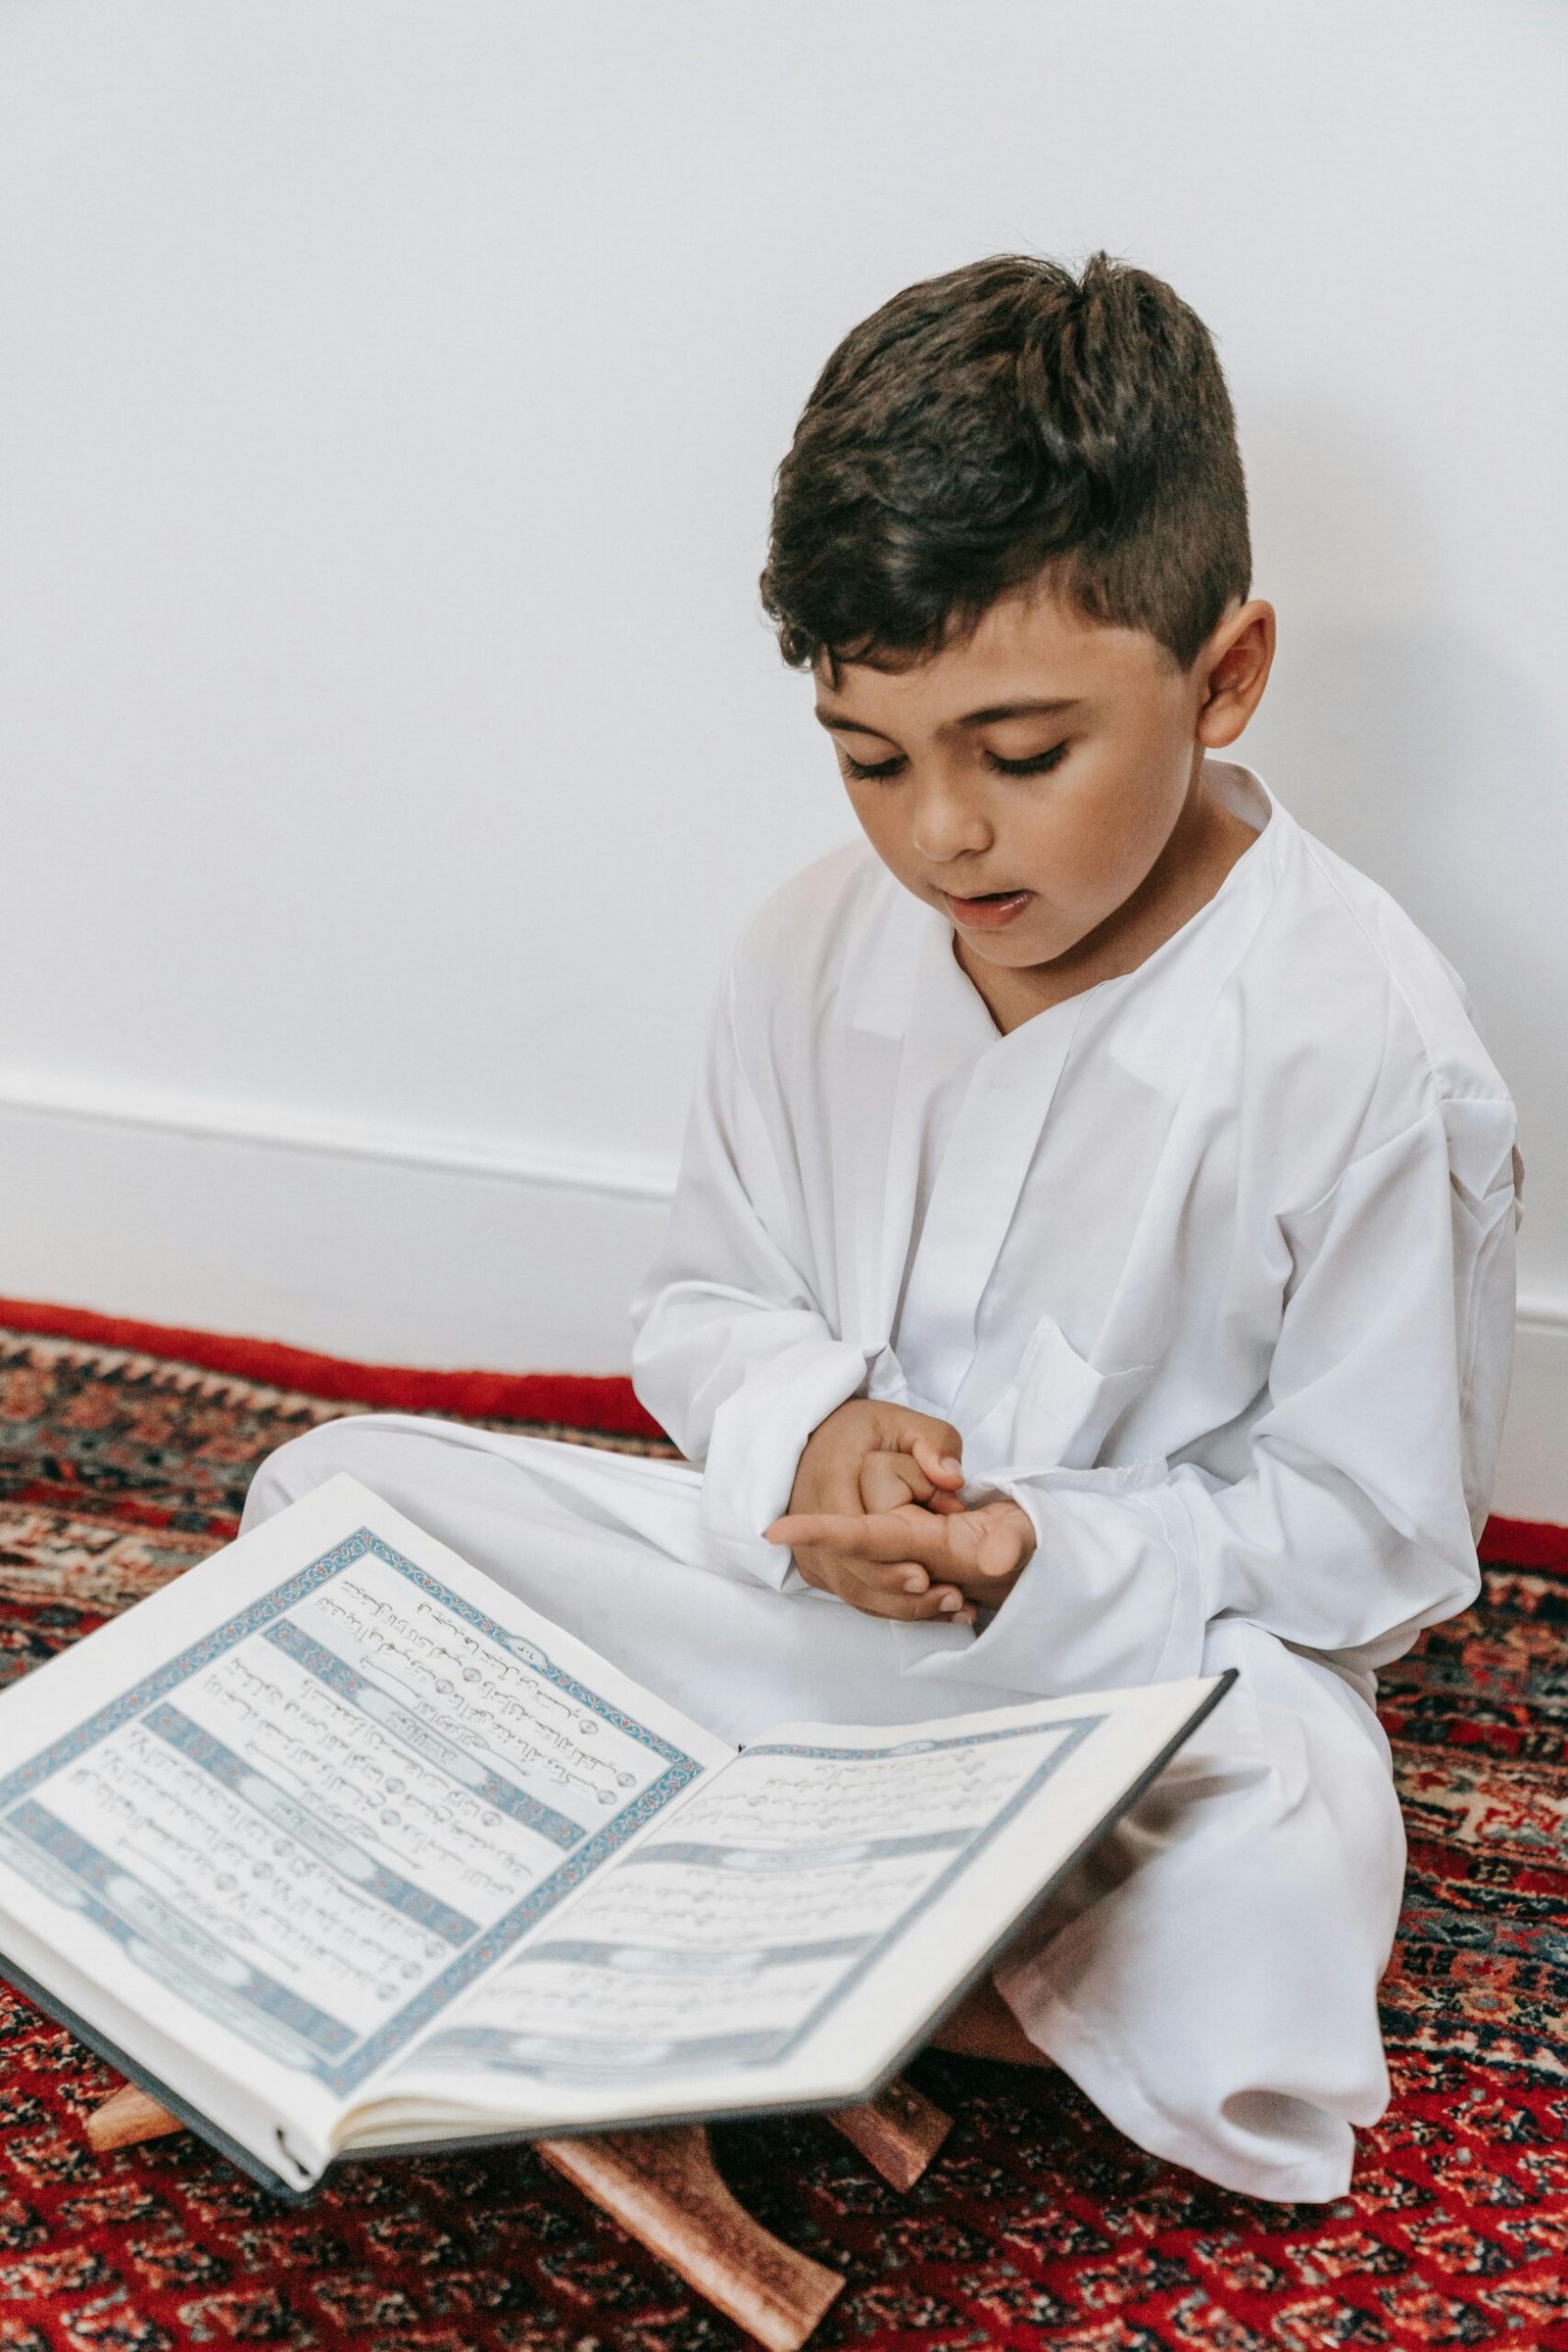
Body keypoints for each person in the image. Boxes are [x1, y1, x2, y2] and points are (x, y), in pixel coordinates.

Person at [241, 252, 1522, 2203]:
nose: (939, 835)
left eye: (1019, 756)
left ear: (1223, 673)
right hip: (790, 1626)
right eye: (867, 759)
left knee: (1290, 1824)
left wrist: (1035, 1556)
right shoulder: (807, 946)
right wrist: (806, 1423)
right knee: (327, 1502)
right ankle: (893, 1956)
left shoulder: (1368, 1048)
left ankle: (732, 1909)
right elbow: (704, 1297)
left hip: (1112, 1688)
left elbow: (1368, 1541)